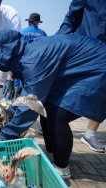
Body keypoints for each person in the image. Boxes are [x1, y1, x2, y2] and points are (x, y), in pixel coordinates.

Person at [0, 29, 106, 179]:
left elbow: (31, 104)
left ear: (7, 53)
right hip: (88, 67)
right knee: (46, 109)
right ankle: (53, 152)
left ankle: (62, 169)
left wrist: (5, 135)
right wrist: (10, 110)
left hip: (99, 69)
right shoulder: (28, 52)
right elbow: (30, 93)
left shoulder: (33, 58)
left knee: (58, 116)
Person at [56, 0, 106, 153]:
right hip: (85, 49)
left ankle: (90, 133)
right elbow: (71, 18)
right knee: (58, 109)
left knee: (103, 95)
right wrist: (56, 41)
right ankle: (54, 144)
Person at [14, 13, 47, 99]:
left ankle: (15, 98)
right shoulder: (43, 33)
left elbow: (18, 46)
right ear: (37, 23)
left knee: (18, 78)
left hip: (24, 60)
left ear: (29, 22)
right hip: (38, 62)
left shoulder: (23, 32)